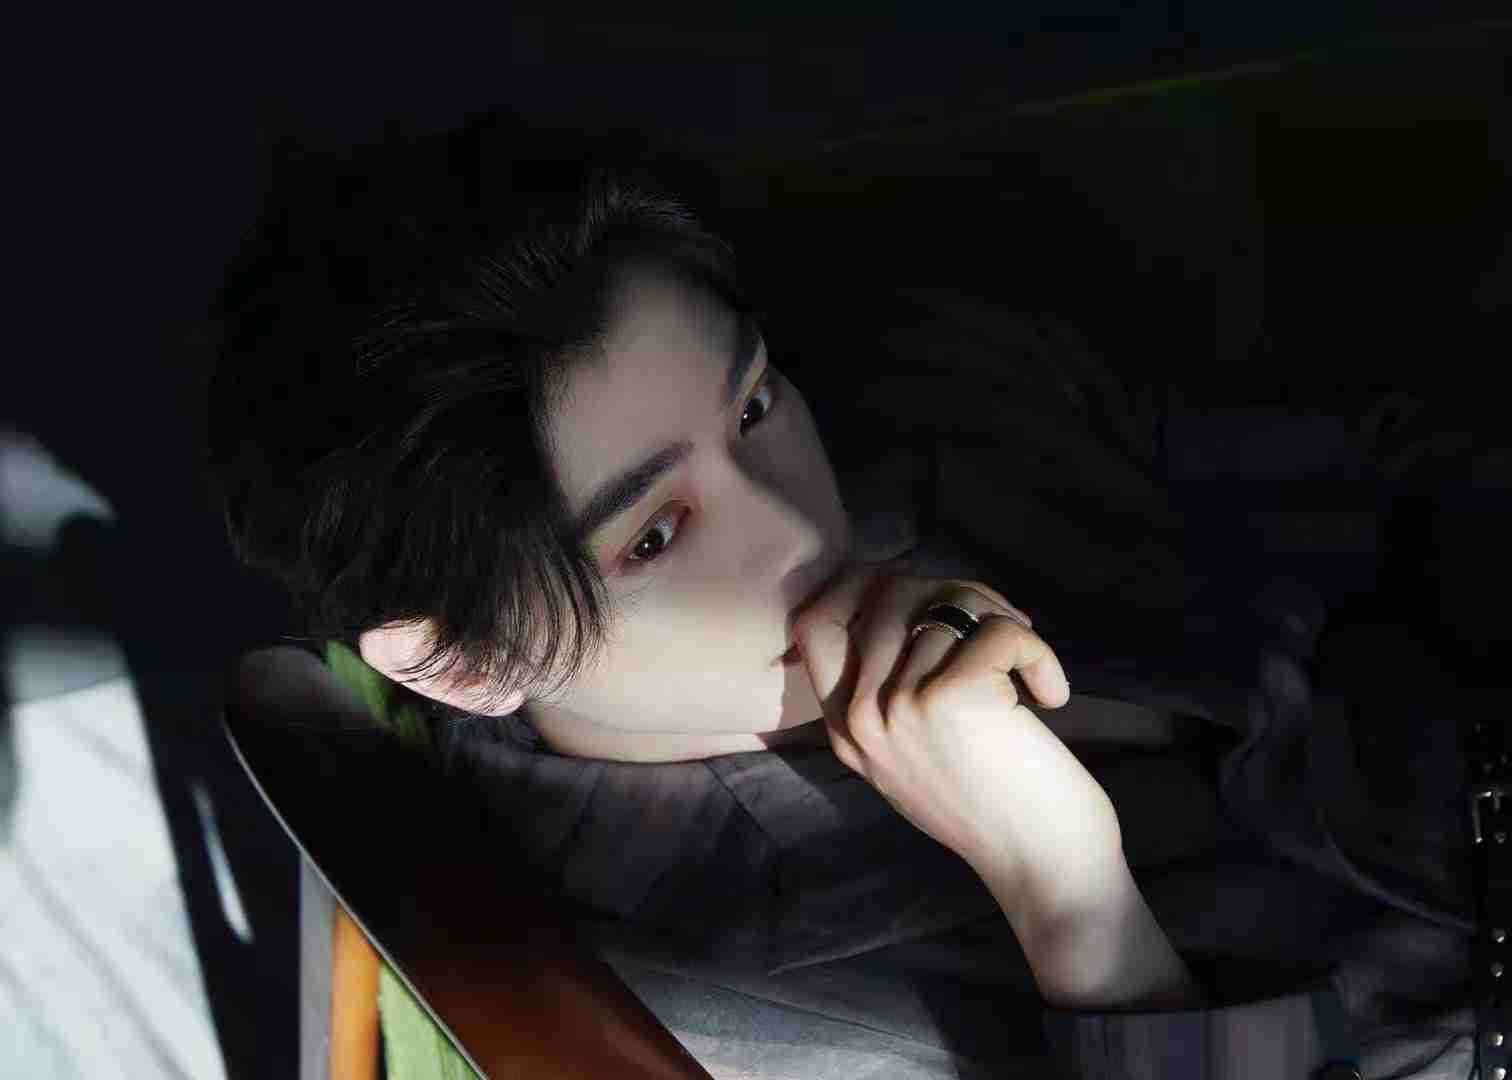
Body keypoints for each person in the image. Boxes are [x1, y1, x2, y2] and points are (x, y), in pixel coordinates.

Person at [204, 107, 1490, 1077]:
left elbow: (1348, 456)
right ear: (468, 663)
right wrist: (1071, 904)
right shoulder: (712, 998)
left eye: (754, 403)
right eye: (656, 536)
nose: (793, 522)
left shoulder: (926, 389)